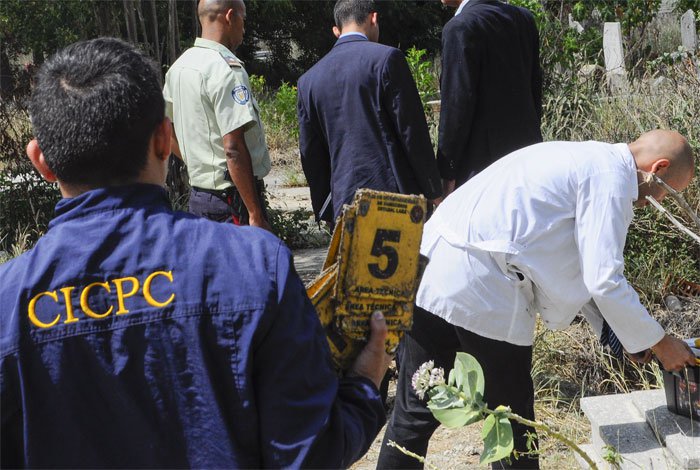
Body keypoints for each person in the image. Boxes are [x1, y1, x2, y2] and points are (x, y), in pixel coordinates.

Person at [0, 37, 392, 469]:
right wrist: (364, 385)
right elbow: (307, 455)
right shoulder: (257, 267)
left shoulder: (8, 304)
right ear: (165, 140)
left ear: (41, 161)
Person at [377, 130, 698, 469]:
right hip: (480, 283)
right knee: (511, 421)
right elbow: (604, 280)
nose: (656, 201)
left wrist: (625, 338)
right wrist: (661, 343)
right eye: (667, 192)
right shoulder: (611, 178)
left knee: (414, 413)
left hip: (429, 263)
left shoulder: (582, 156)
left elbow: (576, 266)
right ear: (658, 168)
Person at [297, 0, 443, 227]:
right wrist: (434, 189)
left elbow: (311, 154)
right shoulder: (387, 59)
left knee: (355, 262)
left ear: (337, 31)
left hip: (344, 201)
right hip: (395, 197)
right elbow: (412, 132)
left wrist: (324, 209)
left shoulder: (308, 81)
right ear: (373, 18)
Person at [163, 0, 271, 229]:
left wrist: (196, 159)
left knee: (211, 264)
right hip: (232, 200)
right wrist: (254, 213)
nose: (244, 28)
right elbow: (233, 149)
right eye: (243, 19)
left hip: (200, 199)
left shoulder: (179, 67)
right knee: (249, 264)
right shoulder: (226, 69)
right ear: (230, 17)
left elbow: (165, 128)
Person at [438, 0, 543, 196]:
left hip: (481, 170)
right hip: (527, 159)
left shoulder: (460, 27)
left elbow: (456, 107)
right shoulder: (523, 19)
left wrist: (447, 172)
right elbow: (535, 91)